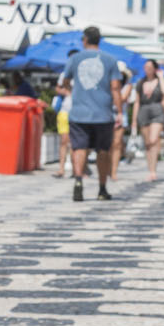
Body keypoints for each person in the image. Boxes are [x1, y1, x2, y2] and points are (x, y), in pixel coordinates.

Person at [60, 26, 124, 202]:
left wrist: (73, 91)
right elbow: (115, 88)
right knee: (103, 151)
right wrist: (119, 111)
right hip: (103, 113)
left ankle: (79, 181)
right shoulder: (110, 60)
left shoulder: (74, 59)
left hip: (79, 112)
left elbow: (65, 81)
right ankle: (102, 188)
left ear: (85, 40)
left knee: (79, 148)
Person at [131, 59, 164, 182]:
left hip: (157, 110)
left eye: (149, 67)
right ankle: (151, 170)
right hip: (143, 110)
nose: (147, 69)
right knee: (148, 143)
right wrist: (134, 120)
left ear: (155, 68)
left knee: (154, 140)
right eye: (145, 67)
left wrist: (161, 76)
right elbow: (137, 102)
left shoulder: (160, 81)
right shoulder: (140, 83)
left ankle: (153, 170)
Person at [52, 84, 72, 178]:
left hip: (77, 113)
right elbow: (58, 88)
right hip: (64, 113)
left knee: (74, 143)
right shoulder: (65, 75)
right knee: (64, 142)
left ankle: (78, 170)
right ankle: (61, 169)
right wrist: (68, 92)